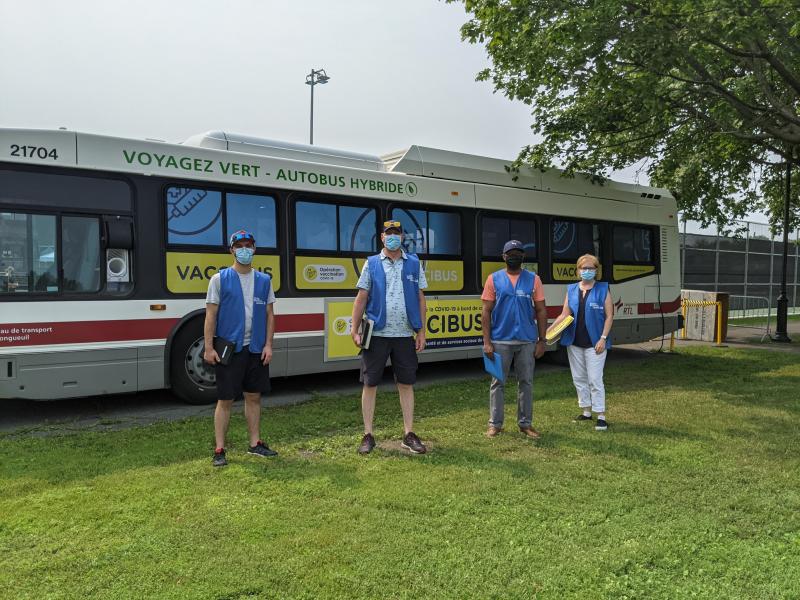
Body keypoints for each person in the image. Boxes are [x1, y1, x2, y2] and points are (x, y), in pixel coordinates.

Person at [351, 220, 428, 455]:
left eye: (396, 233)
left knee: (406, 383)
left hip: (405, 334)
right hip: (376, 334)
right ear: (382, 237)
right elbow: (361, 297)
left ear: (402, 237)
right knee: (370, 383)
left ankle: (408, 433)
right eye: (389, 233)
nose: (393, 237)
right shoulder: (371, 263)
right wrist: (355, 329)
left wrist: (421, 331)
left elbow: (420, 298)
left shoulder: (413, 263)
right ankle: (368, 434)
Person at [204, 229, 277, 467]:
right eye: (240, 246)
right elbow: (210, 316)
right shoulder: (219, 279)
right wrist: (208, 348)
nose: (244, 249)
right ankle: (219, 449)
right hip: (229, 350)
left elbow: (269, 315)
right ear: (232, 250)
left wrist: (268, 345)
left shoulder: (264, 281)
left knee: (253, 397)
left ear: (254, 248)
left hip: (256, 349)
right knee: (225, 399)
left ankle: (255, 444)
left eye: (248, 245)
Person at [481, 240, 548, 438]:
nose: (514, 256)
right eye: (511, 253)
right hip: (499, 341)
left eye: (518, 253)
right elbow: (485, 312)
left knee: (526, 382)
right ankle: (495, 424)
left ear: (523, 257)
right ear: (504, 257)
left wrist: (542, 340)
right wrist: (487, 342)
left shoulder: (534, 280)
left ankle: (525, 424)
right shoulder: (493, 279)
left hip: (527, 341)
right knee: (497, 383)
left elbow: (541, 310)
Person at [549, 254, 614, 431]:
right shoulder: (571, 289)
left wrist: (603, 338)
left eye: (591, 268)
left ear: (596, 270)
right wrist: (549, 331)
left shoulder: (603, 288)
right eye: (583, 268)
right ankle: (586, 411)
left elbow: (609, 316)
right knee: (579, 378)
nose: (587, 271)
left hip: (596, 343)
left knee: (595, 379)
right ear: (577, 270)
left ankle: (601, 415)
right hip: (574, 341)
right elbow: (564, 314)